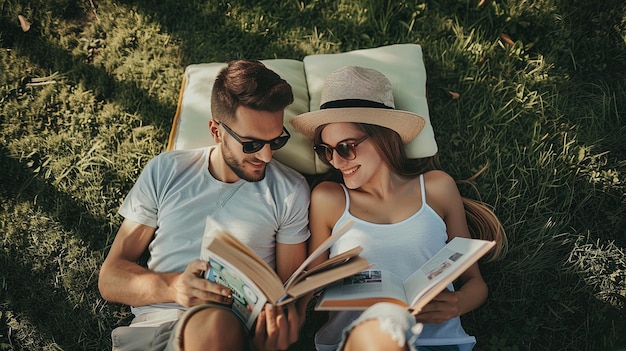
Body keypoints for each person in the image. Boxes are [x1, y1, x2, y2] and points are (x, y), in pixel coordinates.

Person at [99, 60, 311, 351]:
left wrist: (279, 329)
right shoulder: (167, 171)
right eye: (251, 144)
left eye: (276, 141)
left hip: (228, 334)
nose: (266, 157)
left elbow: (287, 300)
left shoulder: (289, 191)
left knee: (216, 323)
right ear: (216, 131)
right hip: (154, 332)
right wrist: (174, 287)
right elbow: (110, 278)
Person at [290, 66, 506, 351]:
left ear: (383, 136)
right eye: (326, 150)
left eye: (345, 147)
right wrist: (291, 315)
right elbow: (310, 282)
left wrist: (457, 303)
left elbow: (475, 283)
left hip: (438, 342)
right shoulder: (329, 198)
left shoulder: (436, 188)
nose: (337, 162)